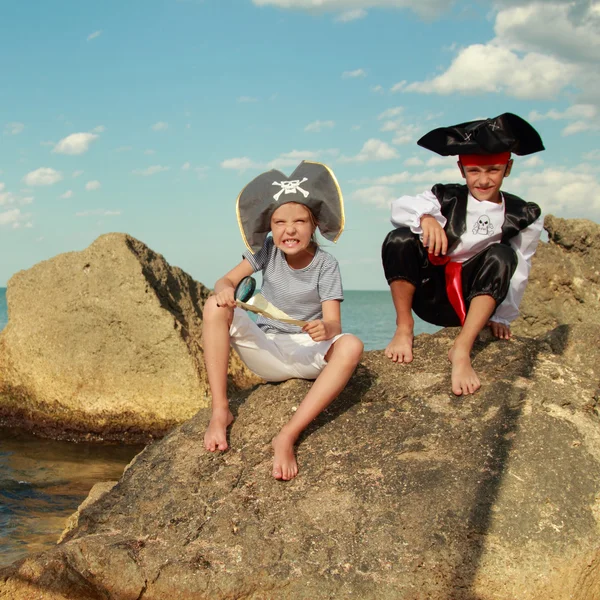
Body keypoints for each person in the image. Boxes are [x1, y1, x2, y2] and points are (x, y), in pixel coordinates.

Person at [203, 161, 363, 480]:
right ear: (271, 227)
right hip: (268, 350)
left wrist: (325, 328)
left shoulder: (326, 265)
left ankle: (287, 435)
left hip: (308, 353)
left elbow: (334, 324)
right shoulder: (268, 251)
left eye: (300, 221)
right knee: (212, 307)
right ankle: (220, 410)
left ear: (313, 224)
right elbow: (225, 281)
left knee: (352, 346)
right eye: (280, 222)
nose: (289, 230)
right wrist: (224, 292)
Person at [381, 113, 545, 396]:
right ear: (461, 169)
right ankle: (404, 326)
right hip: (431, 294)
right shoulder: (445, 196)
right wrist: (426, 219)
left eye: (493, 170)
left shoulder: (524, 214)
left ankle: (462, 348)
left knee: (504, 254)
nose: (483, 180)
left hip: (473, 302)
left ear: (508, 168)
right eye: (474, 171)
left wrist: (503, 317)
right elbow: (399, 207)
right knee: (399, 238)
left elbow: (520, 267)